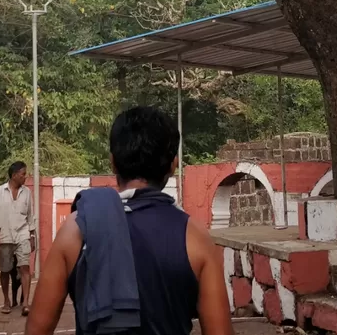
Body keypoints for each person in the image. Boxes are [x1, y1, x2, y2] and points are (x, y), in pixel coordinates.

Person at [26, 107, 233, 335]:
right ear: (173, 165)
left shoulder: (75, 229)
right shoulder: (196, 237)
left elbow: (37, 330)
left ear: (113, 162)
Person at [0, 161, 36, 315]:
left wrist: (32, 235)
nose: (26, 177)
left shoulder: (27, 193)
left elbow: (30, 216)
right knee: (4, 270)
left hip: (23, 234)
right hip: (5, 236)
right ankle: (6, 301)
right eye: (23, 174)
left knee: (25, 267)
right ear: (14, 175)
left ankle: (25, 303)